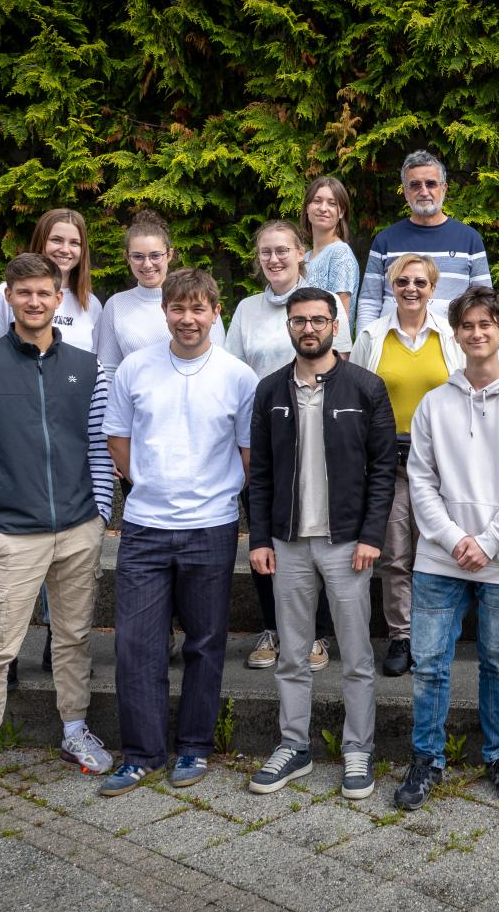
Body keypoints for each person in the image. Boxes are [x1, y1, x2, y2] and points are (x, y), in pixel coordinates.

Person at [0, 253, 116, 804]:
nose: (35, 302)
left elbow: (99, 447)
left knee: (73, 637)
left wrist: (102, 511)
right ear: (8, 299)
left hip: (79, 526)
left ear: (58, 299)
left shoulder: (88, 366)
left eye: (45, 293)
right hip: (10, 531)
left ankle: (74, 730)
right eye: (24, 293)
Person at [98, 267, 259, 796]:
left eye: (198, 309)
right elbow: (117, 439)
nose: (187, 319)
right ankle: (141, 753)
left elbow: (247, 453)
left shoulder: (238, 376)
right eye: (177, 308)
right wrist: (148, 482)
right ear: (164, 311)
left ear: (217, 312)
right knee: (137, 645)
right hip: (145, 526)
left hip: (211, 526)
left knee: (206, 643)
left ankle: (193, 747)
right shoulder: (135, 370)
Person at [394, 287, 499, 810]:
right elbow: (421, 481)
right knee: (430, 663)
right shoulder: (435, 404)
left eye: (487, 324)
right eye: (468, 325)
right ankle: (426, 759)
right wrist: (455, 539)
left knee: (498, 663)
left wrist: (487, 541)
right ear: (456, 334)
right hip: (441, 558)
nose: (477, 333)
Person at [245, 287, 398, 800]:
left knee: (355, 656)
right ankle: (295, 746)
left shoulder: (366, 388)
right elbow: (260, 474)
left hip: (347, 541)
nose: (308, 328)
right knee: (292, 653)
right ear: (288, 326)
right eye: (299, 320)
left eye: (318, 320)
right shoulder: (269, 392)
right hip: (287, 543)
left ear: (335, 324)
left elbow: (383, 472)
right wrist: (259, 538)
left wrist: (372, 536)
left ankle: (358, 748)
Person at [350, 254, 466, 676]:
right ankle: (401, 637)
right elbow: (355, 398)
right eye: (402, 281)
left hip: (442, 463)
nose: (411, 289)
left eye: (420, 282)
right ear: (391, 286)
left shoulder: (450, 337)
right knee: (397, 553)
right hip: (389, 462)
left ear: (433, 288)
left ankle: (433, 636)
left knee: (437, 550)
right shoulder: (372, 335)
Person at [229, 219, 331, 673]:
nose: (274, 259)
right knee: (266, 536)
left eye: (283, 250)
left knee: (322, 539)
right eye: (266, 251)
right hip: (261, 441)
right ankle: (271, 629)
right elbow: (232, 376)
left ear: (300, 252)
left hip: (316, 438)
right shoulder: (247, 310)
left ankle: (316, 635)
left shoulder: (322, 305)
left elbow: (338, 366)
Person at [356, 149, 492, 326]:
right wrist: (366, 346)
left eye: (431, 184)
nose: (424, 191)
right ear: (405, 192)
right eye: (415, 185)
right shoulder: (384, 241)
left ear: (443, 188)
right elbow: (370, 302)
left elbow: (484, 301)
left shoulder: (469, 240)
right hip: (392, 343)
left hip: (451, 346)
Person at [94, 210, 227, 374]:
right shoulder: (116, 305)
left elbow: (218, 360)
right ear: (127, 257)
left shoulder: (198, 298)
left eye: (155, 255)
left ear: (169, 255)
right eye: (138, 256)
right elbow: (109, 370)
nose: (147, 264)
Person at [0, 209, 101, 350]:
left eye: (74, 243)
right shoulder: (3, 295)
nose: (65, 249)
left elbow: (92, 365)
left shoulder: (90, 304)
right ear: (41, 241)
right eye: (56, 240)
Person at [300, 176, 359, 354]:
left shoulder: (340, 253)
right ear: (307, 208)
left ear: (341, 212)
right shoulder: (305, 257)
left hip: (328, 354)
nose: (323, 208)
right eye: (317, 201)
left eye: (332, 203)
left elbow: (340, 315)